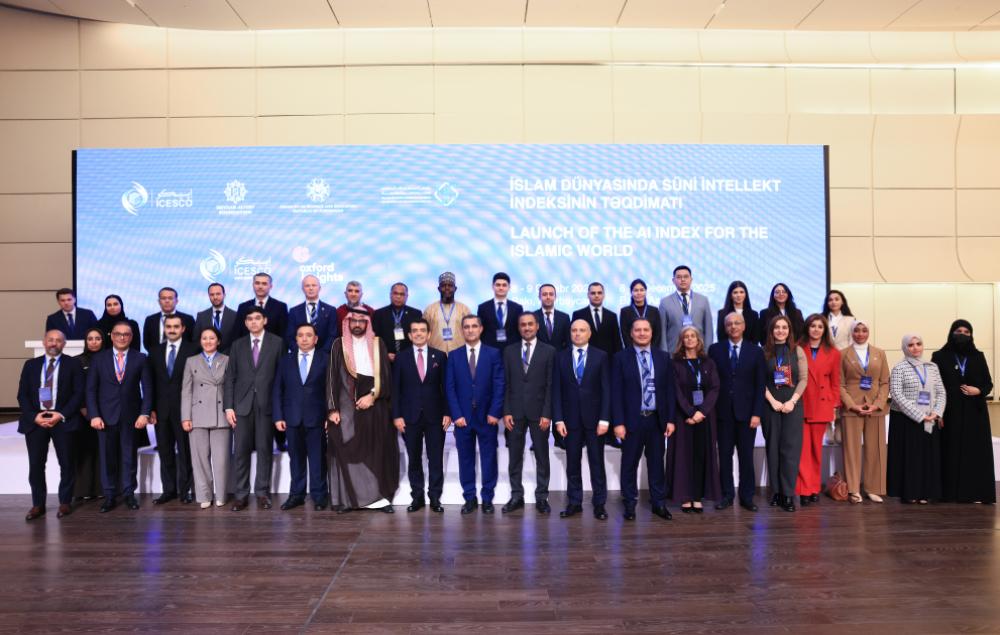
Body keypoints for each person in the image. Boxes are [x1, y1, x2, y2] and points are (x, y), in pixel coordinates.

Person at [326, 309, 398, 513]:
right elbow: (331, 377)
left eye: (361, 321)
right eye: (353, 321)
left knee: (377, 449)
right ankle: (349, 500)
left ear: (367, 324)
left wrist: (372, 396)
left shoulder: (377, 344)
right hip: (345, 405)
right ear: (347, 323)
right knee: (344, 445)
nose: (357, 324)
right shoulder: (338, 344)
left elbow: (386, 375)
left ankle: (379, 500)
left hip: (375, 404)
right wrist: (332, 409)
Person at [611, 317, 676, 521]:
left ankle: (658, 503)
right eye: (637, 330)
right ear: (631, 333)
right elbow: (616, 393)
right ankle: (630, 504)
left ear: (651, 333)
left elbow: (669, 391)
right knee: (629, 464)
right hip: (632, 421)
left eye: (645, 330)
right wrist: (618, 422)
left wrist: (670, 419)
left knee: (656, 464)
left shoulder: (663, 357)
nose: (642, 333)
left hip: (656, 420)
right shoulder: (620, 358)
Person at [17, 329, 85, 520]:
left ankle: (65, 502)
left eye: (58, 340)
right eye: (50, 340)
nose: (54, 343)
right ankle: (38, 505)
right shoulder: (30, 365)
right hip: (36, 420)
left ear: (64, 344)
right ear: (44, 342)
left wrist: (61, 414)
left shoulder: (73, 364)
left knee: (67, 464)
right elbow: (22, 395)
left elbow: (78, 394)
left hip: (63, 419)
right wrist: (34, 416)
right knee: (36, 465)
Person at [86, 321, 153, 512]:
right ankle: (109, 496)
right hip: (104, 418)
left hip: (131, 417)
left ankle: (129, 494)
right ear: (112, 336)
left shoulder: (141, 358)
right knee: (107, 458)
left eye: (126, 334)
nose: (122, 337)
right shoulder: (99, 359)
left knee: (129, 457)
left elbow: (148, 389)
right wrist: (94, 415)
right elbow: (90, 390)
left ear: (131, 337)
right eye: (118, 334)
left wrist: (144, 413)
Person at [223, 307, 283, 511]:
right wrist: (228, 406)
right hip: (241, 406)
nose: (254, 322)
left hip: (267, 405)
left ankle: (262, 493)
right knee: (241, 451)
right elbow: (230, 378)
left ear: (265, 320)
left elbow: (281, 378)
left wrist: (279, 408)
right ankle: (241, 495)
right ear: (245, 323)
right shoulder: (237, 345)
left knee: (265, 450)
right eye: (249, 319)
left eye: (257, 318)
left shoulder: (277, 342)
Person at [445, 315, 505, 515]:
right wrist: (456, 415)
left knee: (489, 458)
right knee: (466, 459)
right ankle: (469, 498)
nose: (470, 330)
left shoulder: (493, 353)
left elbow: (499, 384)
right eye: (466, 327)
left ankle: (487, 498)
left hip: (487, 417)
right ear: (462, 330)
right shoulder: (454, 356)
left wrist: (495, 412)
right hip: (463, 418)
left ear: (481, 329)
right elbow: (450, 388)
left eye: (474, 326)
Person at [552, 319, 611, 519]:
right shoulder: (560, 357)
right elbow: (556, 390)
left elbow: (606, 389)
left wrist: (605, 419)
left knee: (597, 463)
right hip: (570, 421)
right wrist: (558, 419)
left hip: (595, 421)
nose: (577, 334)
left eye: (582, 330)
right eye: (574, 330)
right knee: (572, 463)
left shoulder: (601, 356)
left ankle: (599, 504)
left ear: (589, 333)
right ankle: (574, 502)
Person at [931, 320, 994, 504]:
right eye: (959, 331)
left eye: (967, 332)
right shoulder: (940, 356)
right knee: (949, 451)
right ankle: (948, 493)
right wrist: (938, 412)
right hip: (950, 412)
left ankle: (974, 493)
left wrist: (979, 390)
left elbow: (988, 383)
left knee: (973, 453)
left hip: (975, 413)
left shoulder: (978, 356)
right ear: (951, 333)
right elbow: (933, 386)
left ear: (971, 335)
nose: (963, 334)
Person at [709, 312, 766, 512]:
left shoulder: (755, 351)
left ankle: (747, 496)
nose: (733, 326)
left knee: (746, 457)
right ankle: (726, 495)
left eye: (737, 323)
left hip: (747, 414)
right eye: (729, 324)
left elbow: (760, 385)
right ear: (725, 328)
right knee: (724, 456)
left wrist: (757, 413)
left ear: (744, 326)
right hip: (722, 414)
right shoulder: (715, 350)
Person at [392, 318, 450, 513]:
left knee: (435, 459)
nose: (418, 333)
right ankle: (417, 497)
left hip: (435, 416)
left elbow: (446, 387)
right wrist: (397, 416)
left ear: (429, 334)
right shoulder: (401, 358)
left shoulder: (440, 356)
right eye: (415, 330)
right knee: (414, 458)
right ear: (409, 335)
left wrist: (447, 412)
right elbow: (396, 390)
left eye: (422, 330)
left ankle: (435, 498)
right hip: (409, 417)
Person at [501, 313, 556, 514]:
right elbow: (505, 383)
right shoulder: (509, 351)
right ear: (518, 328)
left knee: (542, 456)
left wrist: (547, 413)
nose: (526, 328)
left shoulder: (549, 351)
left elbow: (550, 385)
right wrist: (506, 410)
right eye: (523, 324)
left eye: (530, 324)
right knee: (515, 456)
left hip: (539, 413)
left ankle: (542, 497)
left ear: (537, 326)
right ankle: (517, 495)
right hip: (514, 413)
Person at [273, 324, 330, 511]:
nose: (304, 339)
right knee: (296, 460)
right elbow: (278, 390)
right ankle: (296, 495)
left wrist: (329, 414)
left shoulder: (325, 359)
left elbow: (331, 390)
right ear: (296, 339)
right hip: (292, 418)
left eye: (308, 335)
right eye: (300, 335)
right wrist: (278, 416)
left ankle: (319, 496)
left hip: (317, 418)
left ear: (316, 339)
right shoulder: (285, 360)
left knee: (318, 460)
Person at [666, 326, 721, 513]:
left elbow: (715, 388)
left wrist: (701, 412)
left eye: (693, 336)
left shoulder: (708, 363)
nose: (690, 339)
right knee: (683, 457)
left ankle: (697, 496)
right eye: (686, 337)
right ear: (681, 341)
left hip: (705, 417)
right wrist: (690, 413)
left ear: (699, 340)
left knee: (701, 455)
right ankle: (685, 497)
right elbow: (675, 391)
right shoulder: (675, 364)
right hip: (683, 416)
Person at [887, 334, 946, 504]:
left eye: (918, 344)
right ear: (905, 347)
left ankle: (925, 493)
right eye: (911, 345)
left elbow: (941, 392)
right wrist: (920, 415)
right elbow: (896, 394)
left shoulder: (932, 367)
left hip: (930, 418)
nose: (915, 348)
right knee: (911, 457)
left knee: (927, 457)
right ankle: (910, 492)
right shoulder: (899, 368)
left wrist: (936, 412)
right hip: (906, 419)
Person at [149, 314, 199, 505]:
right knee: (165, 452)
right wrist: (151, 409)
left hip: (185, 411)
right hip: (161, 411)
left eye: (176, 326)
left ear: (183, 329)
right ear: (164, 328)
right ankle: (168, 490)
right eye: (168, 326)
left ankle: (185, 491)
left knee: (185, 453)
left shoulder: (193, 349)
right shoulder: (154, 351)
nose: (172, 330)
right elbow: (150, 383)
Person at [180, 327, 232, 509]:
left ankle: (221, 495)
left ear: (218, 341)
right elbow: (186, 390)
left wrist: (230, 411)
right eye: (204, 338)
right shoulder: (191, 361)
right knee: (199, 459)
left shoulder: (227, 360)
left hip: (221, 414)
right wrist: (185, 416)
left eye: (212, 338)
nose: (208, 341)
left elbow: (230, 388)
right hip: (197, 414)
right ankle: (204, 495)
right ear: (200, 341)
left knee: (221, 459)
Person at [839, 319, 889, 504]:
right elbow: (839, 384)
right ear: (851, 333)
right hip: (852, 408)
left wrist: (878, 404)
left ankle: (873, 488)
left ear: (869, 332)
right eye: (857, 330)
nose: (860, 333)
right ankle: (853, 489)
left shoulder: (879, 353)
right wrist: (851, 405)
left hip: (875, 407)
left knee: (875, 448)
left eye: (864, 330)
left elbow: (885, 382)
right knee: (851, 450)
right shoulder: (842, 354)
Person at [762, 315, 808, 512]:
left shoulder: (797, 351)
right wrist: (772, 401)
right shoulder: (763, 352)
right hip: (770, 406)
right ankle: (776, 492)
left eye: (784, 327)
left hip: (792, 406)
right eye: (777, 327)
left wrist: (792, 401)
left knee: (790, 450)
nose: (780, 331)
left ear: (789, 331)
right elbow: (759, 381)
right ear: (771, 331)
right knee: (772, 449)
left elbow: (803, 379)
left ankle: (788, 494)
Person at [795, 314, 841, 507]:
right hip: (802, 403)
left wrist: (833, 403)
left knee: (816, 451)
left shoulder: (834, 353)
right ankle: (804, 490)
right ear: (807, 328)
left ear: (824, 330)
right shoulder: (797, 348)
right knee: (803, 452)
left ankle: (814, 487)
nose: (816, 329)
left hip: (822, 405)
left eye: (820, 327)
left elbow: (836, 382)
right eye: (812, 326)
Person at [73, 328, 105, 501]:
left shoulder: (110, 358)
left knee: (102, 451)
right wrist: (85, 409)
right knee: (84, 451)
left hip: (105, 413)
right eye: (90, 338)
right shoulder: (77, 361)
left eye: (97, 338)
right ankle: (83, 490)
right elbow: (75, 388)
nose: (94, 342)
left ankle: (102, 488)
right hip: (83, 414)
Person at [659, 265, 714, 351]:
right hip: (674, 351)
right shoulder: (665, 302)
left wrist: (707, 351)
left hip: (699, 351)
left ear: (691, 279)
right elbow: (662, 331)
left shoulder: (703, 300)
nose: (683, 279)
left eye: (686, 277)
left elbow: (709, 329)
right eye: (679, 277)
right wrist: (664, 353)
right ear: (673, 280)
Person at [286, 275, 338, 355]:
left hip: (324, 357)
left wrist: (321, 354)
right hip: (300, 356)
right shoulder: (294, 311)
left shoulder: (331, 310)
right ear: (302, 289)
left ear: (319, 288)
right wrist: (300, 353)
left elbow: (332, 335)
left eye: (314, 285)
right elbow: (290, 336)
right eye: (307, 286)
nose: (311, 288)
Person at [373, 282, 422, 362]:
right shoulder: (379, 314)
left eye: (402, 294)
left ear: (407, 296)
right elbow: (376, 339)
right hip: (385, 359)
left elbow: (419, 337)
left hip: (409, 359)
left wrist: (406, 355)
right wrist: (384, 354)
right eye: (395, 293)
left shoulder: (416, 314)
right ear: (390, 295)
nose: (398, 297)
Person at [423, 272, 471, 353]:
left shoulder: (464, 309)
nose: (447, 288)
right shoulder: (429, 310)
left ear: (455, 288)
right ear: (438, 289)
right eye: (443, 285)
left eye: (450, 285)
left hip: (459, 354)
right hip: (435, 354)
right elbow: (423, 333)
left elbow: (470, 332)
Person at [572, 282, 622, 356]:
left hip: (608, 359)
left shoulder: (612, 316)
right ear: (588, 295)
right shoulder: (578, 314)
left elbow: (617, 341)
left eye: (599, 293)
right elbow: (573, 339)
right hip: (585, 358)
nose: (596, 295)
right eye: (593, 293)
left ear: (604, 295)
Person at [235, 272, 289, 340]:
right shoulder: (243, 307)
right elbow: (237, 333)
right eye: (257, 283)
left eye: (264, 284)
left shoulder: (280, 307)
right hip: (247, 346)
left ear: (271, 286)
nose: (260, 287)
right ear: (253, 285)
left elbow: (284, 334)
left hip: (273, 346)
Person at [141, 287, 195, 354]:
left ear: (176, 301)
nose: (167, 301)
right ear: (159, 301)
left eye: (170, 298)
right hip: (156, 358)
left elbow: (192, 341)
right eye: (163, 298)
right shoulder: (150, 320)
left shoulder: (188, 319)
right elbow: (147, 343)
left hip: (183, 357)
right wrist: (155, 355)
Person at [477, 272, 523, 350]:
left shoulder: (517, 308)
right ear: (493, 286)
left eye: (504, 285)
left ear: (509, 287)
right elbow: (480, 331)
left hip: (512, 350)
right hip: (489, 349)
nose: (501, 288)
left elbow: (519, 331)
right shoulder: (483, 308)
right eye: (498, 285)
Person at [193, 282, 238, 353]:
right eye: (212, 294)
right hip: (206, 356)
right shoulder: (201, 316)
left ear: (224, 295)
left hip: (229, 357)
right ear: (208, 296)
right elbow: (195, 339)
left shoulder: (235, 315)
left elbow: (237, 340)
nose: (215, 297)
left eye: (218, 294)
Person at [620, 278, 662, 349]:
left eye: (641, 290)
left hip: (651, 350)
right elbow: (625, 334)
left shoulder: (654, 310)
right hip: (632, 351)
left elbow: (658, 333)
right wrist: (632, 351)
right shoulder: (625, 311)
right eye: (636, 290)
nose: (639, 293)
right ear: (631, 292)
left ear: (645, 292)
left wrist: (652, 350)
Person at [716, 281, 760, 345]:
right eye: (735, 292)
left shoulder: (753, 314)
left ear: (745, 295)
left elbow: (755, 338)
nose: (739, 295)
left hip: (749, 349)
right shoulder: (722, 313)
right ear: (730, 295)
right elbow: (721, 336)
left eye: (741, 292)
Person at [533, 283, 570, 351]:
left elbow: (568, 342)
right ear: (539, 297)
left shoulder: (564, 317)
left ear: (555, 297)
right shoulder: (533, 317)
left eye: (551, 294)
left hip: (559, 356)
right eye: (544, 294)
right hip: (539, 356)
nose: (548, 297)